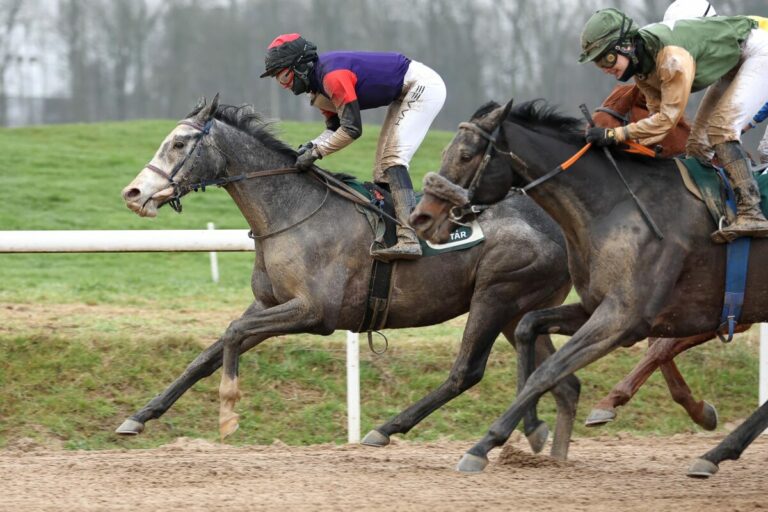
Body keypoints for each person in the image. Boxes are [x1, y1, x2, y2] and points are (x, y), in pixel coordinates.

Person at [578, 8, 768, 242]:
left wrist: (615, 134)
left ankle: (752, 212)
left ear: (625, 45)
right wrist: (625, 143)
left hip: (759, 51)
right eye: (598, 63)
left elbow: (667, 120)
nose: (605, 68)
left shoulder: (671, 58)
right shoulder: (643, 67)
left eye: (606, 58)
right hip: (734, 61)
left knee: (721, 130)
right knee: (698, 146)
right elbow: (656, 119)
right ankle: (717, 211)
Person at [260, 33, 447, 261]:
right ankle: (392, 232)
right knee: (381, 171)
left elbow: (352, 130)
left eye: (283, 77)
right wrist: (310, 146)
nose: (284, 85)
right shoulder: (318, 91)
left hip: (423, 87)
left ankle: (409, 238)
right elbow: (334, 128)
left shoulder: (333, 77)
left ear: (300, 66)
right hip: (402, 94)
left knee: (393, 161)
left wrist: (317, 152)